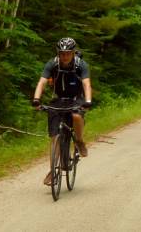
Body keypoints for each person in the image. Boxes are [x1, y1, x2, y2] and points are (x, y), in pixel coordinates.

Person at [32, 37, 93, 185]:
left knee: (77, 116)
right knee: (55, 138)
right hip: (59, 99)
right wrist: (36, 99)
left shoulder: (81, 65)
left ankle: (79, 141)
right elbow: (42, 82)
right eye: (62, 53)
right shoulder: (52, 64)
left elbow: (86, 84)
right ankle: (53, 171)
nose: (65, 56)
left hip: (76, 98)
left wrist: (88, 101)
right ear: (58, 53)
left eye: (68, 53)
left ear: (73, 53)